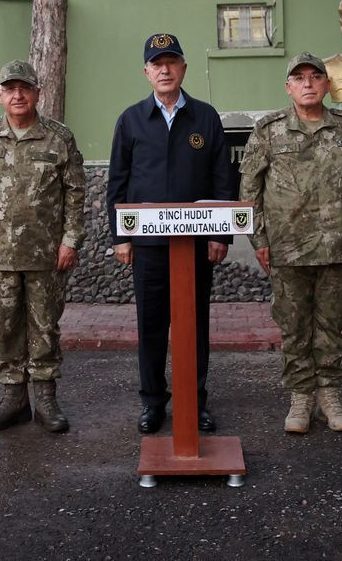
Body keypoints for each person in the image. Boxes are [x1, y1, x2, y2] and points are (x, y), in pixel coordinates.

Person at [107, 33, 237, 435]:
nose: (164, 69)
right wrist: (121, 238)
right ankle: (152, 403)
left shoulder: (205, 117)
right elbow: (118, 183)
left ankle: (194, 403)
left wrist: (221, 236)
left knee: (193, 325)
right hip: (147, 247)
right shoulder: (131, 120)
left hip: (196, 245)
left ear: (183, 68)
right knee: (151, 327)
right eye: (156, 63)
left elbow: (223, 178)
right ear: (146, 72)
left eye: (171, 62)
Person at [239, 52, 342, 434]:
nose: (308, 83)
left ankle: (329, 394)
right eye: (299, 78)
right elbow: (250, 190)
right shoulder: (269, 130)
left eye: (316, 77)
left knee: (331, 325)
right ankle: (300, 396)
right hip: (287, 248)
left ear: (327, 85)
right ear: (288, 87)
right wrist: (259, 239)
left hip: (337, 246)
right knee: (294, 326)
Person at [0, 60, 86, 434]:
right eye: (10, 89)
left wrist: (70, 241)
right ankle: (13, 397)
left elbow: (75, 194)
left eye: (25, 88)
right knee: (4, 325)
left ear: (37, 93)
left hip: (46, 254)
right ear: (0, 95)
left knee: (45, 326)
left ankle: (45, 398)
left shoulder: (58, 138)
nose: (18, 95)